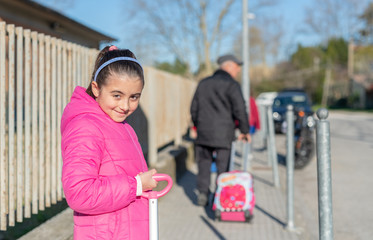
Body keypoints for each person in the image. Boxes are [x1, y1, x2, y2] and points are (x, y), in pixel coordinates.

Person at [61, 46, 158, 240]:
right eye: (117, 95)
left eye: (134, 97)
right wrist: (136, 185)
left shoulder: (122, 126)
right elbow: (79, 193)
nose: (125, 106)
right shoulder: (85, 127)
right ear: (96, 88)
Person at [190, 54, 251, 206]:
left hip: (204, 132)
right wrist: (245, 130)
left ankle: (203, 193)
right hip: (224, 134)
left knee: (203, 164)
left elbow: (194, 108)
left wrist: (198, 124)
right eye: (237, 67)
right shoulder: (232, 85)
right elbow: (240, 109)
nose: (237, 70)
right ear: (229, 66)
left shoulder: (203, 83)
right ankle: (219, 196)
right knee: (223, 167)